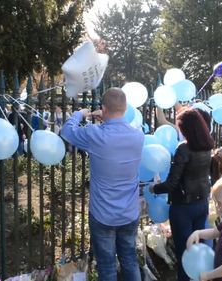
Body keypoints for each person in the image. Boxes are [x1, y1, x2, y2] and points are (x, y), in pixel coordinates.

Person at [60, 88, 145, 281]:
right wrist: (107, 119)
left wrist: (80, 114)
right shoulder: (138, 135)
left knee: (106, 266)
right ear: (124, 108)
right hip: (129, 212)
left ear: (104, 108)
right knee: (130, 260)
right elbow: (116, 131)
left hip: (103, 214)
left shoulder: (94, 133)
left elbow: (67, 131)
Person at [149, 109, 214, 281]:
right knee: (199, 247)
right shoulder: (207, 145)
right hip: (201, 202)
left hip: (183, 206)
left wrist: (154, 189)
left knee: (184, 251)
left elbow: (172, 183)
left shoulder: (184, 148)